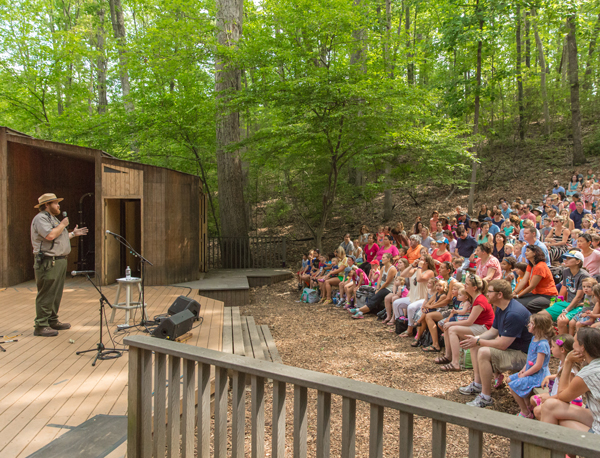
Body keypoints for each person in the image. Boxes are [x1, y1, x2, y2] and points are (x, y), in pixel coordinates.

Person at [459, 280, 532, 408]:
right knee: (476, 345)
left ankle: (485, 397)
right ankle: (478, 384)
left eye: (490, 292)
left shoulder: (513, 314)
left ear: (500, 295)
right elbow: (493, 331)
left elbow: (503, 344)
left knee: (483, 351)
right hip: (514, 350)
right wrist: (475, 339)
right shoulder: (501, 307)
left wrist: (478, 341)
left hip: (526, 358)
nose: (486, 294)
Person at [31, 193, 88, 337]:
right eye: (55, 203)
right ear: (47, 205)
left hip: (59, 260)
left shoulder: (53, 219)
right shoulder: (41, 219)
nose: (58, 206)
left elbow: (57, 236)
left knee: (56, 293)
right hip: (48, 261)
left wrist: (73, 234)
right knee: (47, 292)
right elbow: (49, 236)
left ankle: (52, 320)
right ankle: (41, 325)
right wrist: (63, 224)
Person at [540, 327, 600, 437]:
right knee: (552, 407)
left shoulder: (588, 374)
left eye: (575, 341)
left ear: (582, 347)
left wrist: (568, 362)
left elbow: (563, 396)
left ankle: (547, 451)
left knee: (555, 414)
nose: (572, 345)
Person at [435, 275, 495, 372]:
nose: (464, 285)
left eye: (467, 284)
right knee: (448, 327)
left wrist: (451, 324)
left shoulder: (480, 300)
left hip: (485, 328)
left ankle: (455, 363)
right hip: (479, 325)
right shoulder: (474, 297)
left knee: (452, 329)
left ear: (474, 288)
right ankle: (448, 356)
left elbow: (469, 321)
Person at [507, 313, 553, 418]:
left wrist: (525, 374)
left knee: (513, 387)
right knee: (509, 380)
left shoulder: (542, 344)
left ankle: (525, 412)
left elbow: (538, 365)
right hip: (530, 371)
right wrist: (523, 370)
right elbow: (530, 359)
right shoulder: (534, 338)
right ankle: (528, 406)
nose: (528, 325)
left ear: (539, 328)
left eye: (531, 323)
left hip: (538, 376)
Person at [531, 334, 581, 420]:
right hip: (556, 394)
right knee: (533, 399)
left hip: (568, 401)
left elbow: (567, 392)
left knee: (537, 411)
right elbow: (560, 375)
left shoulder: (571, 369)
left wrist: (549, 399)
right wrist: (550, 377)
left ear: (562, 350)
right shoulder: (563, 362)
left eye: (553, 346)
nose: (551, 349)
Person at [540, 250, 590, 330]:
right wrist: (558, 303)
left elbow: (578, 297)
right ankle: (548, 337)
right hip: (567, 303)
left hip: (580, 305)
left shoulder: (584, 275)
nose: (565, 260)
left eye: (569, 258)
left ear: (578, 261)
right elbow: (564, 289)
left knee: (562, 320)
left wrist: (566, 311)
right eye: (565, 258)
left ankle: (564, 341)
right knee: (540, 316)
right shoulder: (566, 271)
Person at [393, 254, 436, 337]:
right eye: (419, 259)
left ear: (426, 263)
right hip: (412, 297)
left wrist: (419, 267)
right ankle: (401, 325)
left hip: (423, 298)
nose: (420, 261)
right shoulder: (416, 269)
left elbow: (420, 279)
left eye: (422, 260)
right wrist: (412, 265)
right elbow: (403, 274)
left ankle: (410, 330)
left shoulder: (430, 272)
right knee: (396, 303)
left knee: (411, 307)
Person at [349, 253, 397, 319]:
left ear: (389, 259)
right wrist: (377, 289)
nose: (381, 259)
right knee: (372, 297)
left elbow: (387, 282)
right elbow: (380, 279)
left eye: (384, 257)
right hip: (381, 287)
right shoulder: (383, 267)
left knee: (375, 298)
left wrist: (379, 290)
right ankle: (360, 313)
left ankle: (357, 310)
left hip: (388, 288)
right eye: (382, 257)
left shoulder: (392, 269)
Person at [513, 245, 558, 313]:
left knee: (523, 304)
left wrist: (517, 295)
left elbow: (532, 286)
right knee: (514, 301)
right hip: (536, 294)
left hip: (548, 296)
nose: (525, 253)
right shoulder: (530, 265)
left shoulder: (540, 266)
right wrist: (514, 292)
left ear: (534, 253)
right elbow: (524, 280)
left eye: (528, 251)